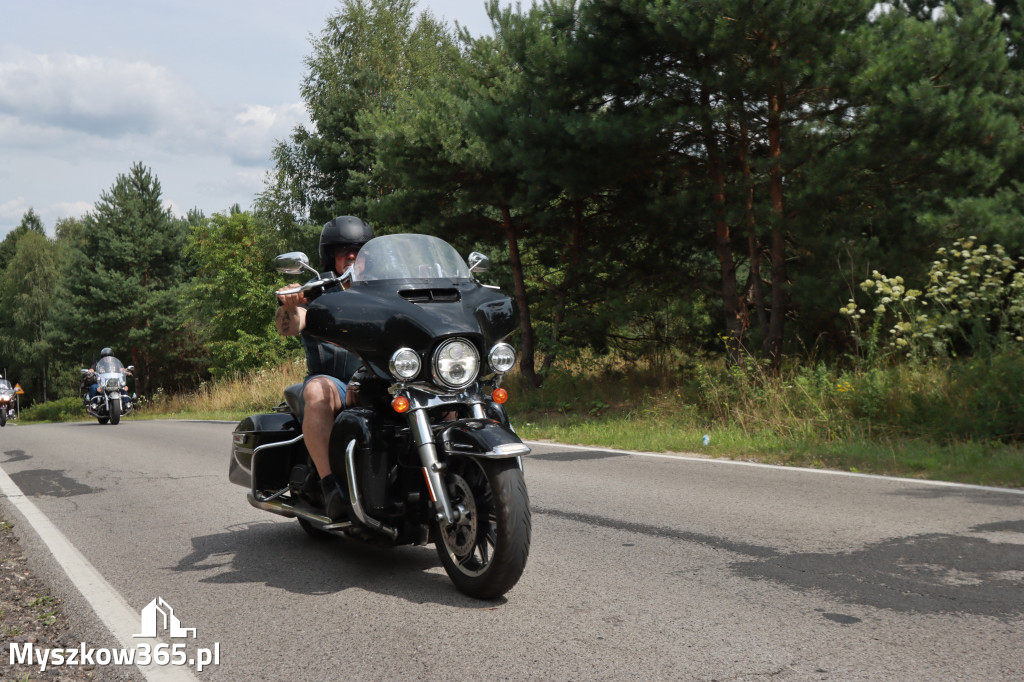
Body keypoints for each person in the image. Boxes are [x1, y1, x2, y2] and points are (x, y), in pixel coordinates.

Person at [275, 215, 374, 520]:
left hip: (381, 383)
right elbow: (289, 327)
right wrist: (290, 306)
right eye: (344, 249)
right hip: (337, 385)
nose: (352, 255)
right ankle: (332, 488)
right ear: (331, 255)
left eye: (359, 249)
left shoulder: (385, 290)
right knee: (317, 391)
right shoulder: (315, 293)